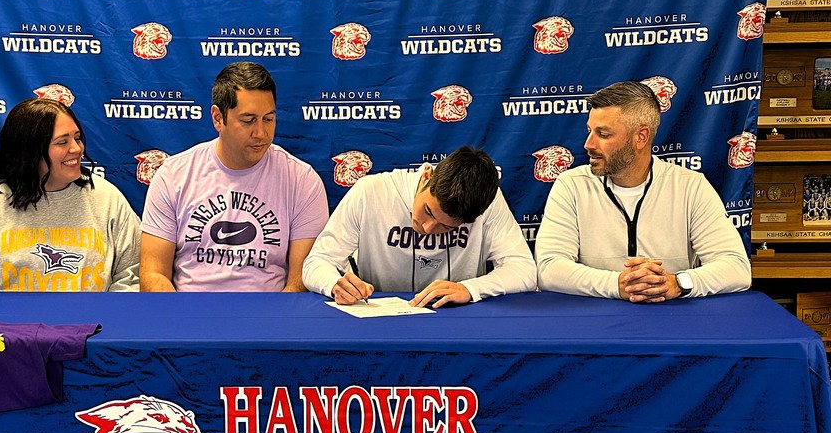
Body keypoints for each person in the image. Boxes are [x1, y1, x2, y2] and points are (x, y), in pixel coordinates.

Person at [535, 80, 751, 302]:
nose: (588, 144)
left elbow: (737, 268)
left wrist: (677, 283)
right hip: (593, 322)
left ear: (641, 137)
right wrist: (617, 285)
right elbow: (548, 269)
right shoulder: (571, 185)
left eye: (603, 134)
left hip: (674, 322)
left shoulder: (690, 186)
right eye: (590, 131)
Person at [140, 61, 329, 292]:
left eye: (268, 119)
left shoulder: (302, 180)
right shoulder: (172, 176)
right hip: (189, 314)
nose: (261, 133)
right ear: (218, 118)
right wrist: (182, 321)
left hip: (268, 317)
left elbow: (301, 281)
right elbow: (153, 273)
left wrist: (272, 325)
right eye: (248, 120)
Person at [0, 98, 140, 292]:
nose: (77, 149)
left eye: (77, 138)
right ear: (29, 152)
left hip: (91, 328)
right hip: (8, 330)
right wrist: (0, 319)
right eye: (62, 142)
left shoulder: (107, 198)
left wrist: (105, 317)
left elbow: (133, 274)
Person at [302, 146, 536, 308]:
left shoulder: (489, 203)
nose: (427, 227)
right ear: (426, 176)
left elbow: (524, 270)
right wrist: (334, 284)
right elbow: (316, 263)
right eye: (428, 211)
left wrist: (470, 289)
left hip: (456, 320)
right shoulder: (371, 191)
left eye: (445, 227)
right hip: (378, 319)